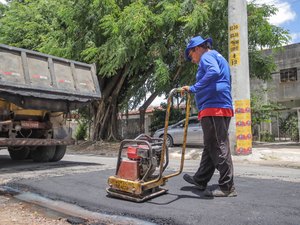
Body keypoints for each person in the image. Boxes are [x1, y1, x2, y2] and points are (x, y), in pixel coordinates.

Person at [181, 35, 237, 197]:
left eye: (191, 55)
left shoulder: (207, 57)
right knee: (210, 146)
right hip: (218, 105)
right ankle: (200, 179)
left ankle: (227, 186)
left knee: (218, 145)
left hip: (215, 107)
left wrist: (193, 88)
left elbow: (213, 72)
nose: (192, 60)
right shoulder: (216, 56)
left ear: (197, 48)